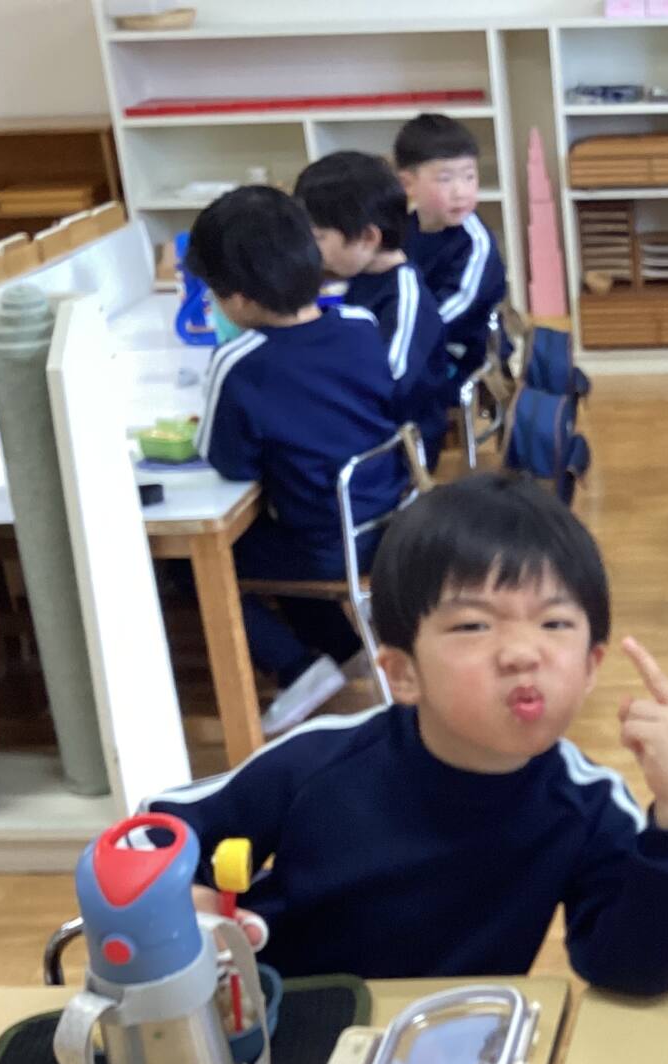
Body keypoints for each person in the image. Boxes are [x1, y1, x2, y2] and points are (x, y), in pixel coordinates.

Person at [147, 475, 668, 991]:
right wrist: (195, 906)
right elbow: (151, 835)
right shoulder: (319, 761)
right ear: (402, 673)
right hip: (285, 1023)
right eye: (473, 625)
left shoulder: (587, 806)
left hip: (451, 1045)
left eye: (554, 623)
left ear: (592, 666)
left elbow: (634, 969)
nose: (523, 653)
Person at [185, 185, 405, 736]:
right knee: (288, 524)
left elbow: (230, 463)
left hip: (324, 544)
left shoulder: (239, 361)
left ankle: (296, 668)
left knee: (190, 562)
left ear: (236, 298)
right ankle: (344, 648)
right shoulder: (359, 324)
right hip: (387, 521)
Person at [296, 150, 450, 465]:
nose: (311, 250)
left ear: (368, 237)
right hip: (362, 426)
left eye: (319, 238)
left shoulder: (406, 296)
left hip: (398, 448)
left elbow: (391, 380)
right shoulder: (360, 276)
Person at [395, 112, 507, 406]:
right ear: (408, 183)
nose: (461, 192)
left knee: (396, 386)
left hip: (464, 350)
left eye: (469, 176)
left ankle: (422, 437)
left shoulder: (475, 241)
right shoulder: (403, 228)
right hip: (420, 337)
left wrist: (401, 331)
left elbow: (455, 307)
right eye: (445, 179)